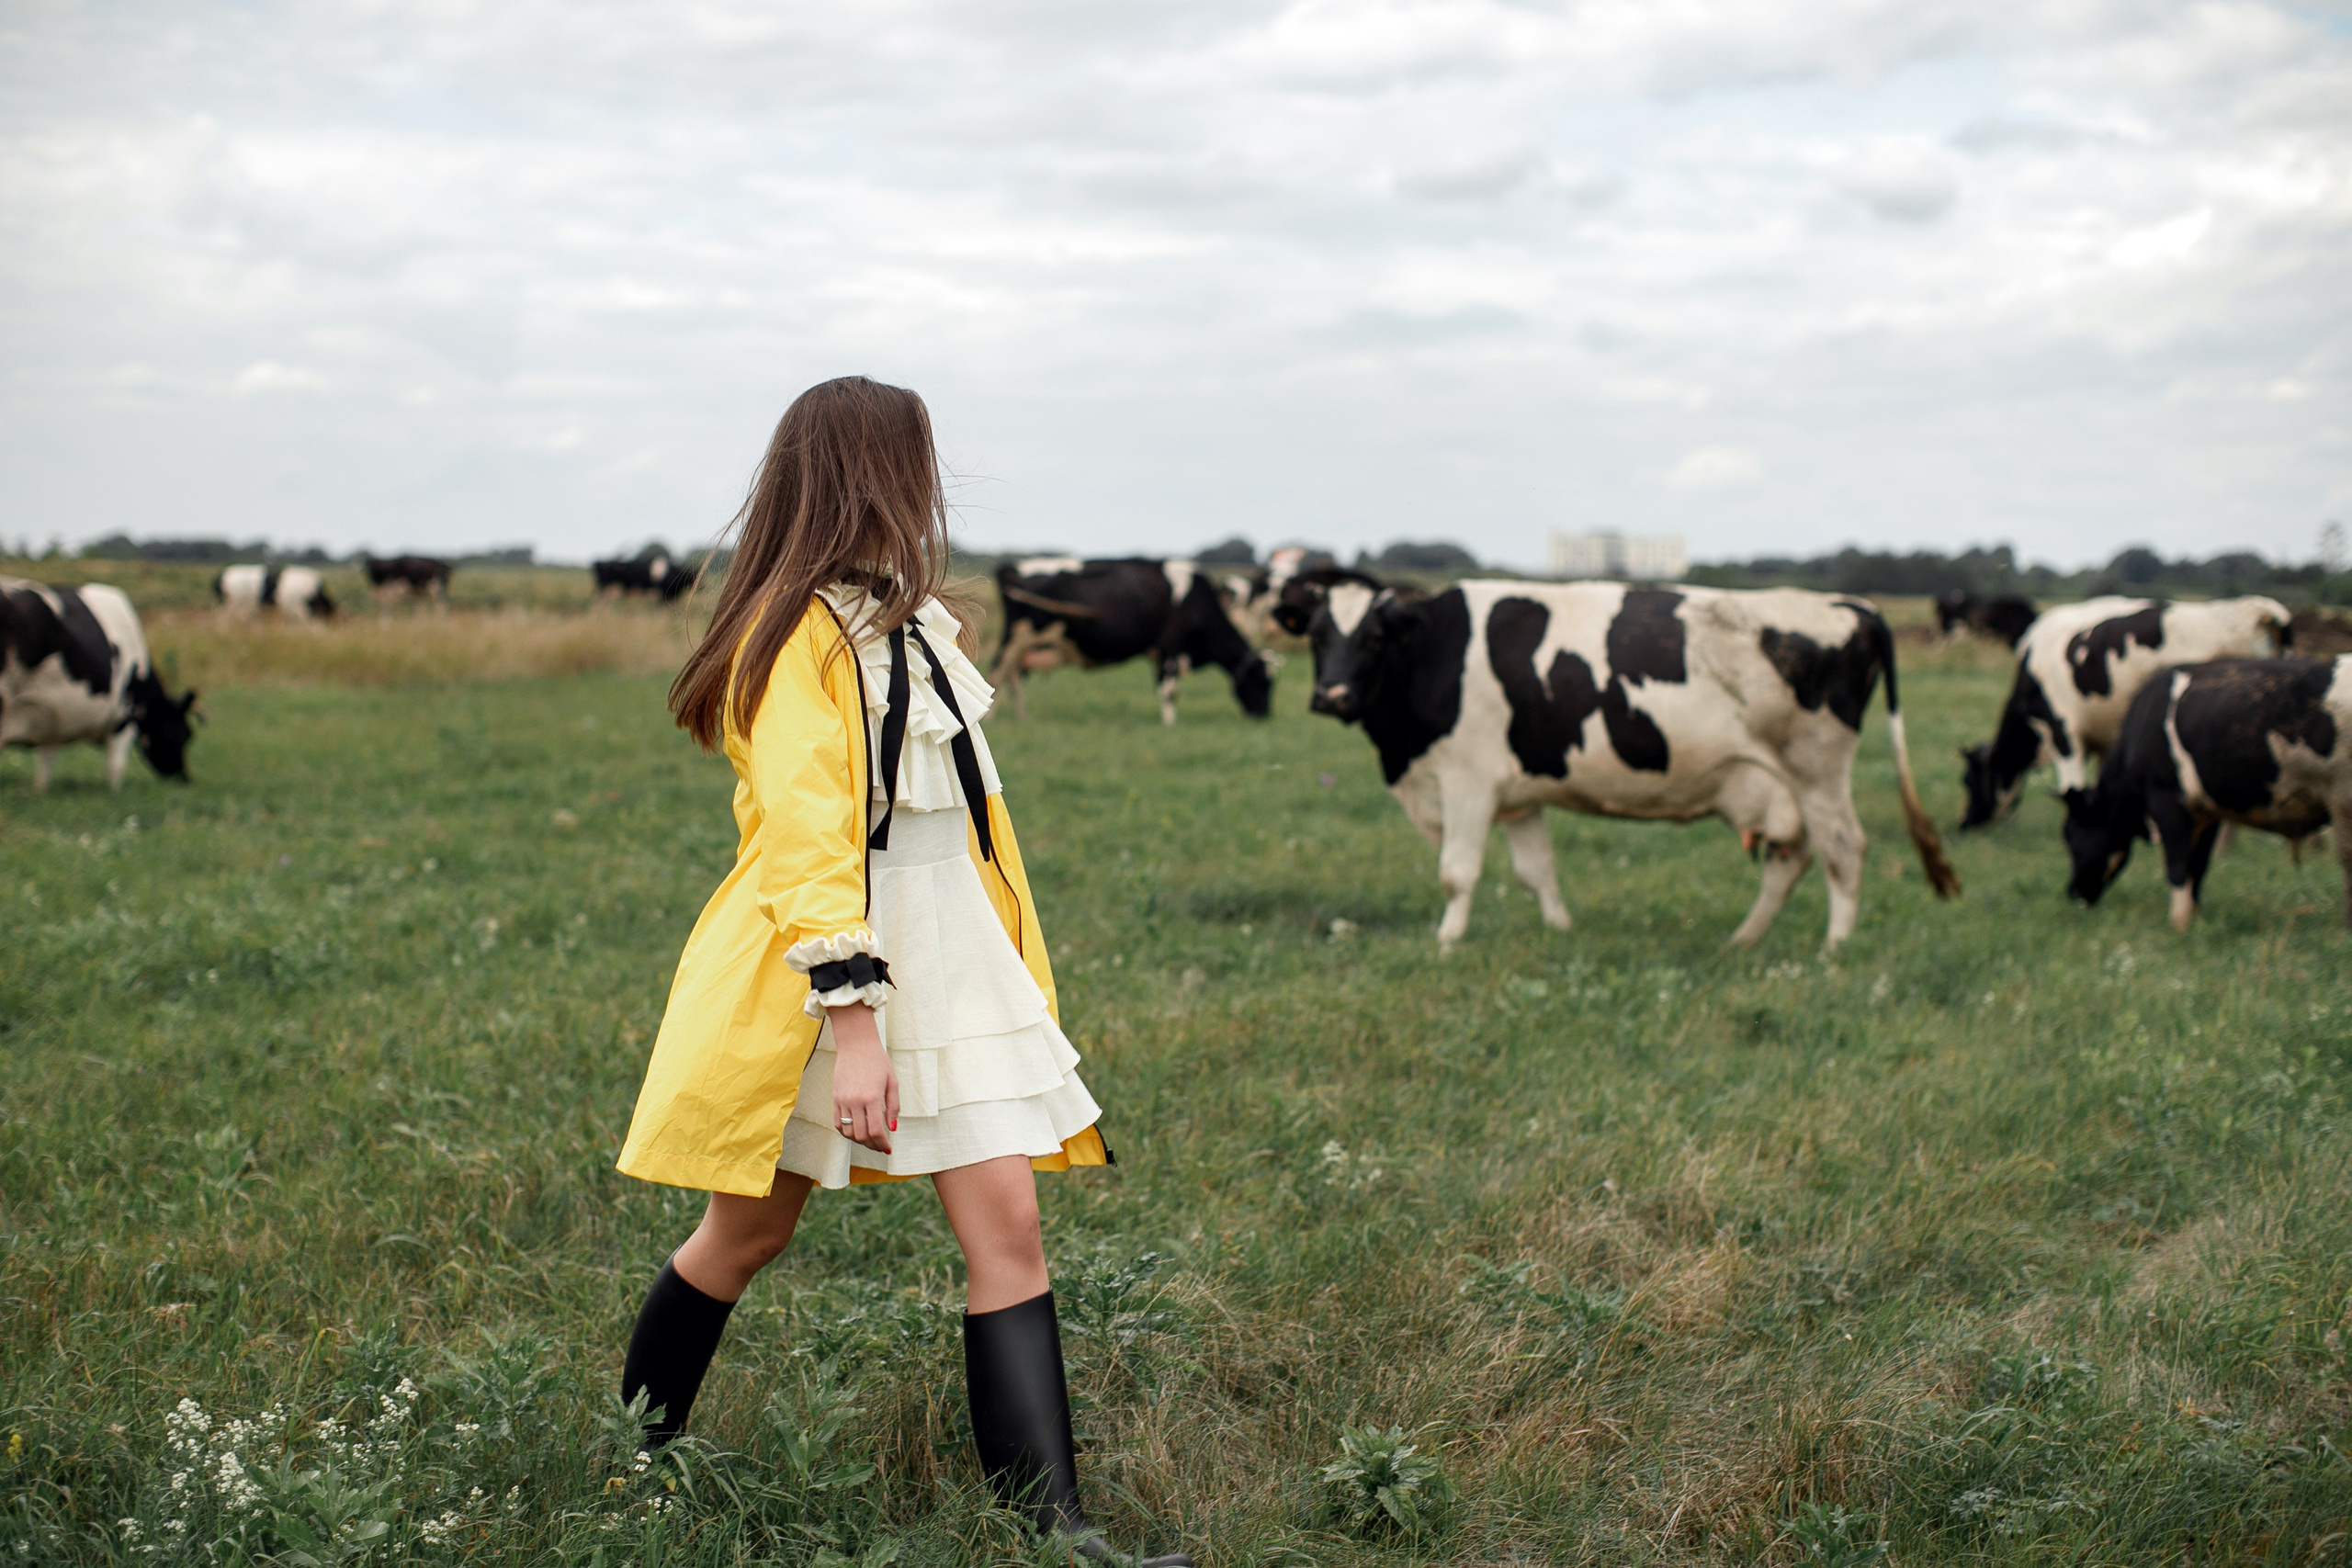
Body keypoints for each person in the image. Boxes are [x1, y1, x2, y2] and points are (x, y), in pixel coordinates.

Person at [614, 377, 1193, 1567]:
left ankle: (1058, 1534)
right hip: (823, 981)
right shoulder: (793, 642)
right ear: (870, 472)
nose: (931, 487)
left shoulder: (921, 626)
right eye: (916, 462)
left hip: (955, 965)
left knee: (1010, 1233)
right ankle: (630, 1465)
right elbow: (805, 840)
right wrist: (857, 1026)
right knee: (743, 1236)